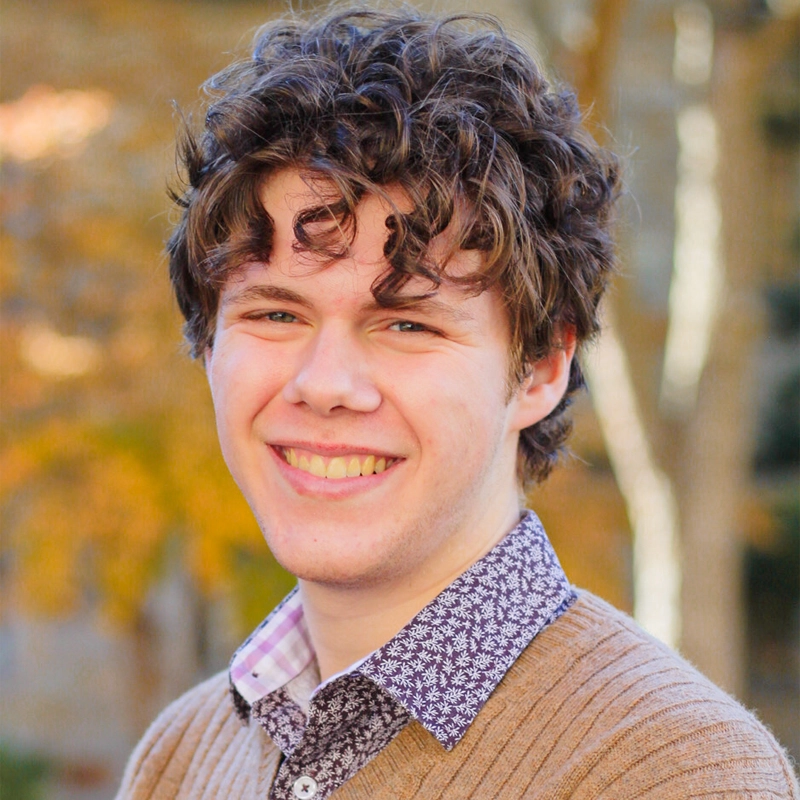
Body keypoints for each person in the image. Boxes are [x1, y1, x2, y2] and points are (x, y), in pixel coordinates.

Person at [116, 8, 798, 799]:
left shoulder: (673, 772)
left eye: (405, 322)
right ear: (207, 345)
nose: (327, 384)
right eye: (276, 314)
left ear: (540, 368)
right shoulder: (181, 760)